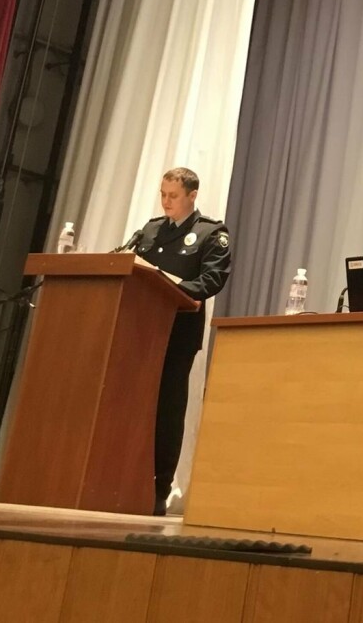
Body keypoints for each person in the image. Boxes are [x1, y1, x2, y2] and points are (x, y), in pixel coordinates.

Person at [127, 167, 231, 515]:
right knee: (129, 405)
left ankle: (159, 488)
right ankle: (122, 477)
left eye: (173, 195)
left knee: (168, 410)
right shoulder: (151, 230)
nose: (166, 201)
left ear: (192, 195)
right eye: (163, 194)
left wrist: (171, 285)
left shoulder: (211, 233)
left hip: (177, 333)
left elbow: (211, 280)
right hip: (139, 331)